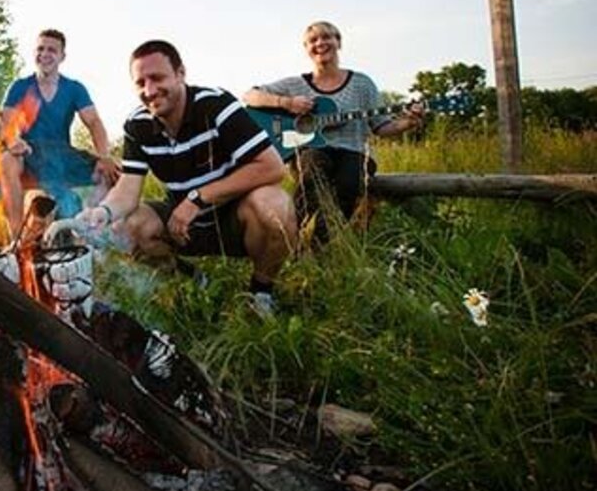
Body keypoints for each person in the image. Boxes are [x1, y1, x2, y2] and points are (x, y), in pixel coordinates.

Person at [76, 40, 296, 315]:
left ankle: (260, 293)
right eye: (140, 82)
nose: (149, 90)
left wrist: (198, 198)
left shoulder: (216, 105)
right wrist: (103, 212)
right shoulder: (137, 124)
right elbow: (128, 189)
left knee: (274, 205)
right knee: (125, 225)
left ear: (180, 73)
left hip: (234, 218)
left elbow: (273, 168)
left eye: (157, 78)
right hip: (182, 225)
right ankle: (194, 282)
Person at [242, 20, 423, 242]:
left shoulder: (362, 84)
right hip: (311, 149)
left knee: (349, 184)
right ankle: (288, 238)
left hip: (354, 151)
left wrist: (408, 123)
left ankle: (318, 245)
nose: (320, 43)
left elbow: (381, 126)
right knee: (313, 169)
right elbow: (249, 96)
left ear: (338, 43)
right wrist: (285, 103)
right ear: (306, 49)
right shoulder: (295, 84)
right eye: (313, 40)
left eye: (327, 37)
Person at [0, 28, 120, 239]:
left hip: (63, 155)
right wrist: (13, 141)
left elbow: (94, 122)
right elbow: (4, 126)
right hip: (29, 152)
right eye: (40, 49)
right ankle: (16, 240)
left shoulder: (74, 88)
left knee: (114, 170)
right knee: (7, 159)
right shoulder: (20, 86)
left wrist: (104, 156)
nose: (45, 54)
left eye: (52, 50)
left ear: (62, 56)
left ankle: (101, 236)